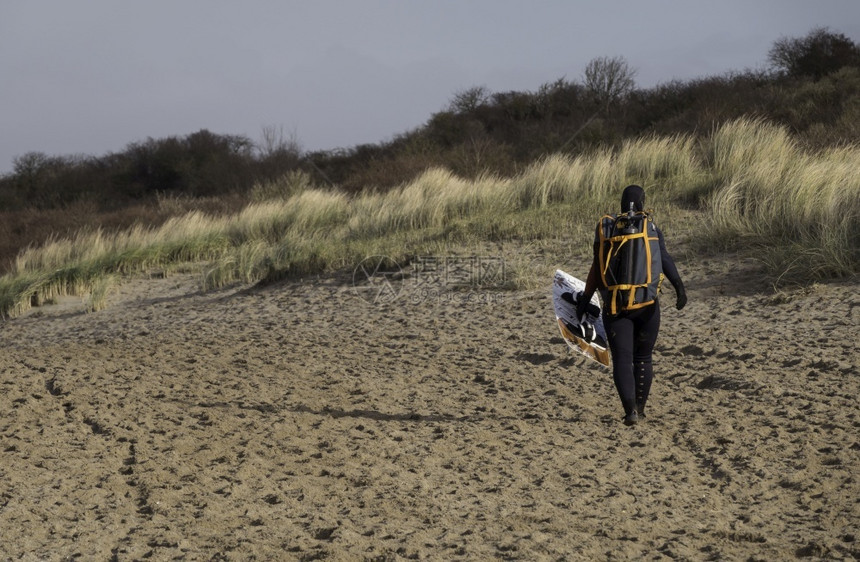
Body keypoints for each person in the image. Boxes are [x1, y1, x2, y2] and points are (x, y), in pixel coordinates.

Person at [577, 184, 686, 426]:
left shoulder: (606, 228)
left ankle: (630, 413)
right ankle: (641, 408)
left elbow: (597, 269)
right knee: (644, 358)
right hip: (647, 305)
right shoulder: (651, 227)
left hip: (616, 307)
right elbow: (665, 259)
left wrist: (585, 300)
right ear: (643, 202)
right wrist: (679, 288)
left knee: (623, 360)